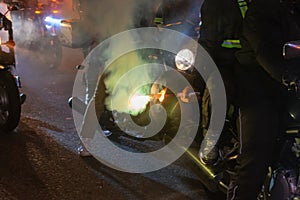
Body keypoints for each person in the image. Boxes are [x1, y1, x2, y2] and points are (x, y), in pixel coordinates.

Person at [227, 0, 300, 199]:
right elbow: (265, 50)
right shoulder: (261, 9)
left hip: (289, 88)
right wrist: (289, 76)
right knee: (255, 160)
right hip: (258, 86)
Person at [198, 0, 249, 164]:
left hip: (253, 64)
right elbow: (208, 42)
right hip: (225, 64)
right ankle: (211, 141)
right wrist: (201, 76)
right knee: (219, 90)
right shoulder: (217, 4)